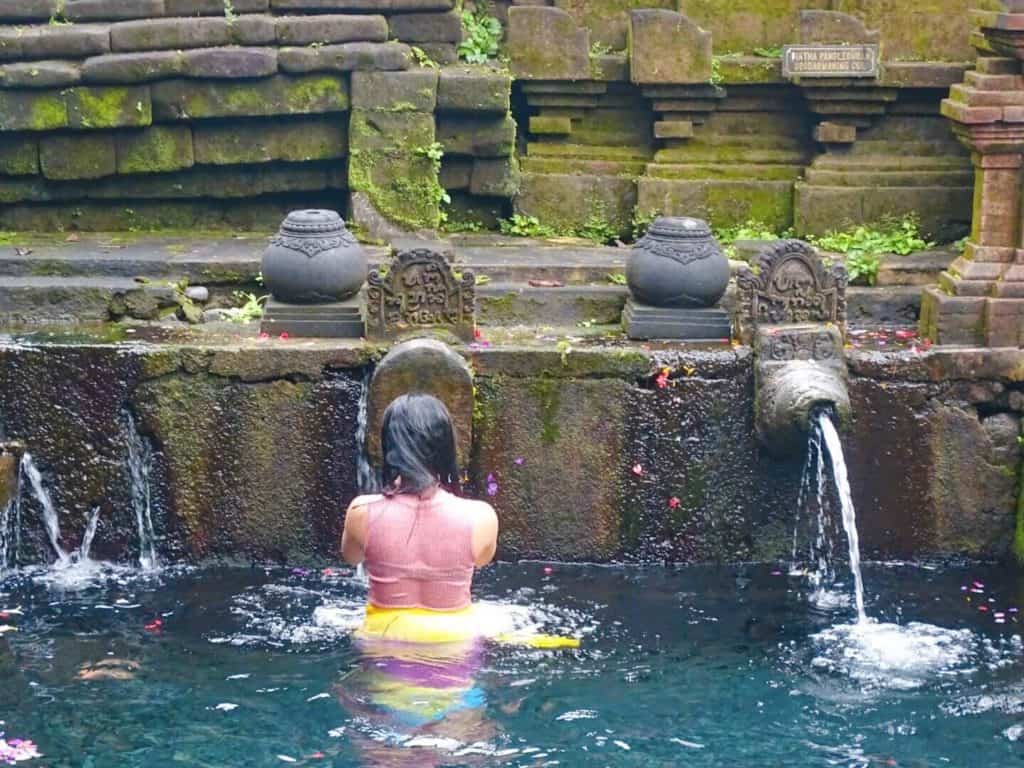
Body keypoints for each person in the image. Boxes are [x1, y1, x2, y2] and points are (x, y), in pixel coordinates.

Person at [341, 392, 499, 643]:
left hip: (382, 643)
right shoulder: (480, 516)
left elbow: (352, 558)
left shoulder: (361, 512)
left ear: (389, 447)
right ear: (445, 448)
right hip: (455, 647)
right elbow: (481, 559)